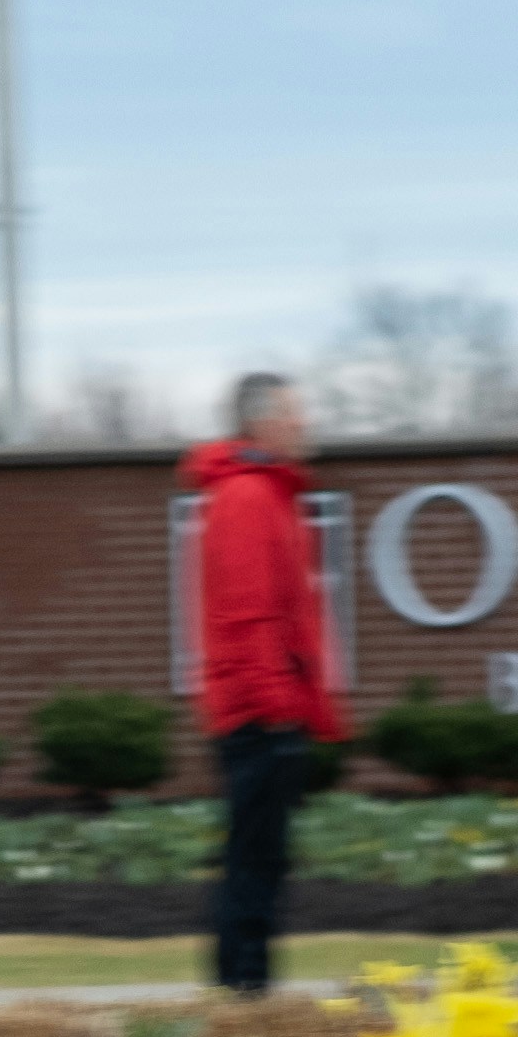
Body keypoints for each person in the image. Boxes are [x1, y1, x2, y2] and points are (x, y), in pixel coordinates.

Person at [183, 373, 346, 994]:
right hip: (258, 715)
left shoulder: (266, 496)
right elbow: (247, 616)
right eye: (295, 415)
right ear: (264, 425)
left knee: (262, 862)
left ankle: (246, 996)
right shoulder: (248, 498)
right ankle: (242, 998)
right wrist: (277, 712)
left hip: (266, 711)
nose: (305, 426)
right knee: (254, 864)